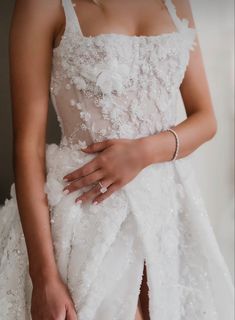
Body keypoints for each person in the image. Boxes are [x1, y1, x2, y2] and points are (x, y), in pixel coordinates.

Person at [0, 0, 234, 319]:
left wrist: (142, 153)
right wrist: (43, 277)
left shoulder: (175, 2)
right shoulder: (42, 5)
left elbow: (206, 119)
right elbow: (27, 146)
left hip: (167, 218)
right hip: (85, 215)